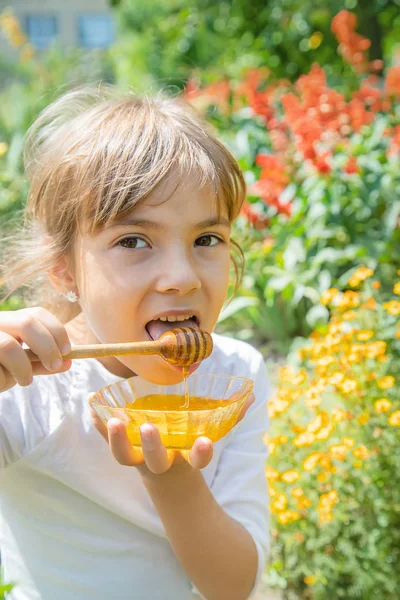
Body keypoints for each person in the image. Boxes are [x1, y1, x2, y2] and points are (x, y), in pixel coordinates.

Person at [0, 86, 270, 600]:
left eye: (206, 239)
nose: (180, 276)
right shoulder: (25, 388)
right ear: (64, 271)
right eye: (132, 241)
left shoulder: (234, 378)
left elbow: (233, 586)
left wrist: (170, 477)